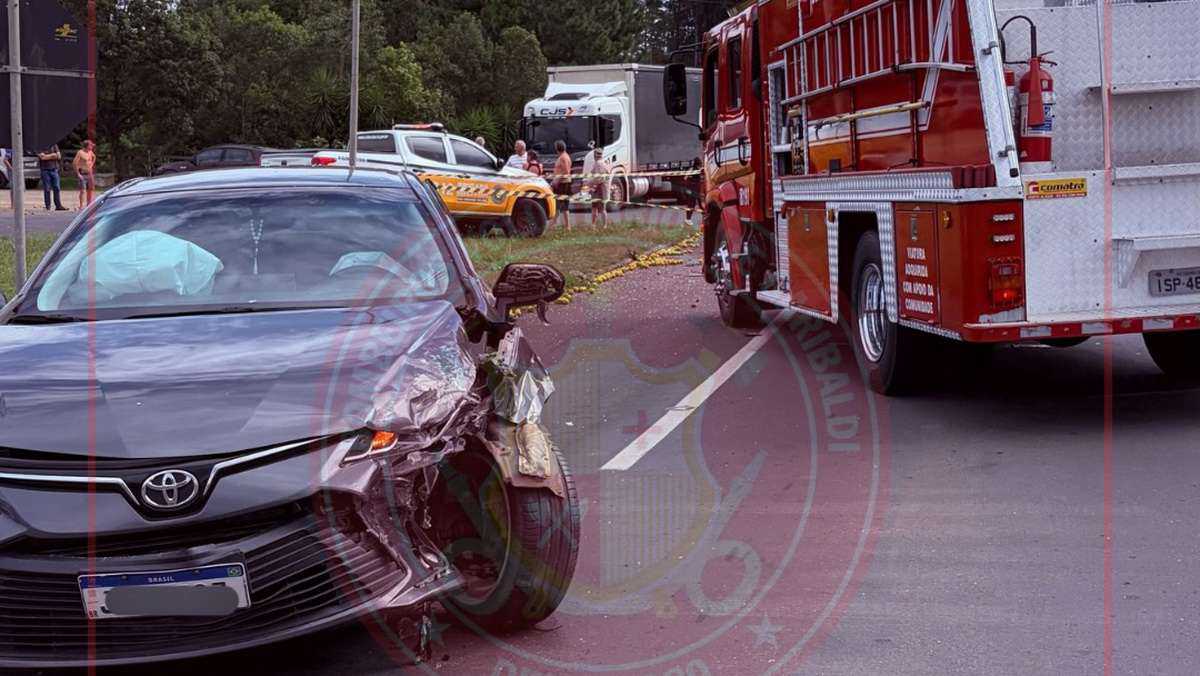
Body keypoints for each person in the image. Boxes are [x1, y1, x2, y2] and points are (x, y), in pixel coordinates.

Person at [38, 144, 67, 211]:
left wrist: (47, 156)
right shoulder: (39, 146)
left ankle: (58, 205)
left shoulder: (54, 145)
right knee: (47, 189)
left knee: (57, 187)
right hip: (45, 170)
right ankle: (48, 206)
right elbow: (42, 157)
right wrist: (53, 155)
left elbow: (59, 156)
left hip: (54, 169)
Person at [551, 140, 572, 231]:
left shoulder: (564, 157)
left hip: (563, 184)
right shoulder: (562, 157)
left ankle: (567, 226)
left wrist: (557, 180)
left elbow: (566, 171)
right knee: (558, 204)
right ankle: (554, 223)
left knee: (562, 205)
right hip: (561, 183)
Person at [587, 147, 611, 227]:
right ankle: (602, 225)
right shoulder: (603, 163)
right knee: (600, 208)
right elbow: (593, 173)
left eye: (595, 154)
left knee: (597, 208)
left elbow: (598, 178)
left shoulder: (598, 164)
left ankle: (598, 225)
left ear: (595, 155)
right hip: (600, 188)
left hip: (599, 189)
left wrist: (589, 183)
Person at [73, 140, 97, 209]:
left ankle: (89, 205)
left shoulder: (90, 152)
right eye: (91, 145)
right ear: (87, 146)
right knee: (82, 190)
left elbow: (94, 157)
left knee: (90, 189)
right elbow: (74, 163)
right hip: (82, 173)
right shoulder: (80, 152)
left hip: (90, 173)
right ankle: (81, 206)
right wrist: (78, 174)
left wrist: (92, 164)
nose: (92, 147)